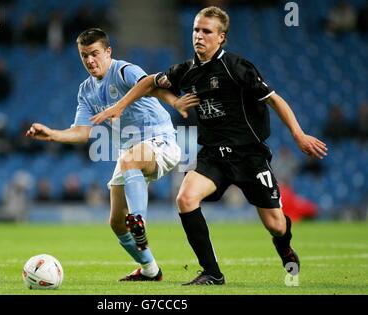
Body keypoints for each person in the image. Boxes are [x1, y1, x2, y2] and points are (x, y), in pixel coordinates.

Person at [91, 6, 328, 285]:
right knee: (185, 199)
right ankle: (212, 273)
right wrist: (121, 107)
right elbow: (149, 83)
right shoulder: (187, 71)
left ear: (221, 38)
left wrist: (299, 135)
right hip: (213, 155)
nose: (199, 36)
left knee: (276, 225)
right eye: (195, 30)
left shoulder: (238, 68)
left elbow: (275, 100)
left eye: (206, 31)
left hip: (249, 155)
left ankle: (284, 246)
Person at [26, 28, 192, 281]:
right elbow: (82, 132)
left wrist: (175, 102)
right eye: (84, 56)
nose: (90, 61)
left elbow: (151, 85)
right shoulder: (86, 90)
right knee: (116, 222)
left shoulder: (124, 70)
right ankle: (150, 270)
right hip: (130, 155)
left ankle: (140, 221)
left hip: (161, 141)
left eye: (94, 54)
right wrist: (52, 135)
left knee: (129, 161)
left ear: (108, 52)